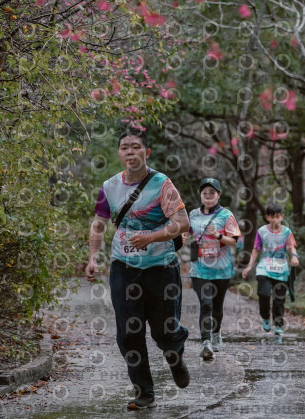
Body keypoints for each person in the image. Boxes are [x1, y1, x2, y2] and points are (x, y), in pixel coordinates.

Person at [85, 131, 190, 410]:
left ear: (147, 152)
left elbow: (182, 223)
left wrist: (151, 237)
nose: (130, 152)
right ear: (119, 153)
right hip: (123, 267)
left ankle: (174, 353)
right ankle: (144, 391)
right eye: (124, 148)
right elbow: (98, 224)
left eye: (135, 147)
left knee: (164, 330)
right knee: (129, 333)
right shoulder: (109, 187)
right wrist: (93, 257)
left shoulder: (162, 184)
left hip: (161, 268)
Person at [184, 178, 241, 360]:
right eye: (204, 193)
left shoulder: (226, 215)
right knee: (206, 304)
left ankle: (216, 334)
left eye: (212, 193)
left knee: (217, 306)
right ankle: (206, 342)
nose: (208, 196)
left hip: (221, 269)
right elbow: (186, 232)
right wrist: (183, 237)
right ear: (200, 195)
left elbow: (234, 241)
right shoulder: (193, 214)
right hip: (199, 269)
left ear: (218, 195)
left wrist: (218, 235)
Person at [242, 203, 299, 336]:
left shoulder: (286, 232)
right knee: (264, 294)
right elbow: (256, 249)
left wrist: (294, 256)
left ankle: (278, 325)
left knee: (279, 300)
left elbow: (291, 247)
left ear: (282, 217)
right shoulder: (262, 231)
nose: (275, 220)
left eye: (278, 217)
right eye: (272, 217)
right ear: (267, 217)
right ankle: (266, 317)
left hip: (281, 270)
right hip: (264, 268)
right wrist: (249, 266)